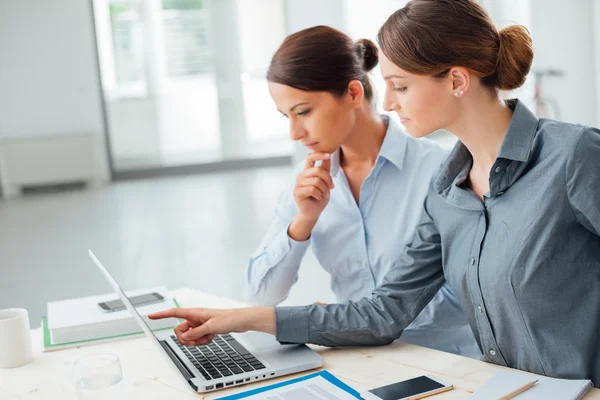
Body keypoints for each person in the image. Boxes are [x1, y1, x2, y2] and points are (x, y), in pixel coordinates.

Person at [151, 0, 600, 385]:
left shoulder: (572, 155)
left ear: (458, 81)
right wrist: (244, 319)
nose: (386, 102)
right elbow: (384, 312)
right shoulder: (446, 188)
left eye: (400, 86)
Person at [242, 25, 479, 358]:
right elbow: (259, 296)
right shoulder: (307, 184)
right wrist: (304, 221)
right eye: (287, 117)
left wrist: (346, 321)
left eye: (304, 112)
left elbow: (472, 293)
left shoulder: (438, 170)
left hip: (444, 361)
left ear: (353, 93)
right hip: (357, 362)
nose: (295, 133)